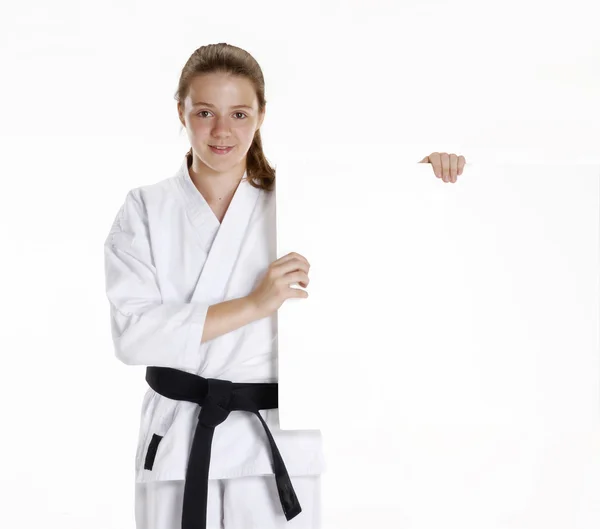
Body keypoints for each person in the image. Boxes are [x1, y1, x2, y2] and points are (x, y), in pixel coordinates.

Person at [103, 42, 466, 529]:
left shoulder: (307, 199)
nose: (222, 131)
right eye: (205, 111)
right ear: (181, 112)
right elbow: (134, 336)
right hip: (180, 436)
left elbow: (385, 230)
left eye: (239, 113)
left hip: (276, 435)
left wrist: (427, 175)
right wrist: (255, 304)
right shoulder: (145, 208)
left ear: (261, 115)